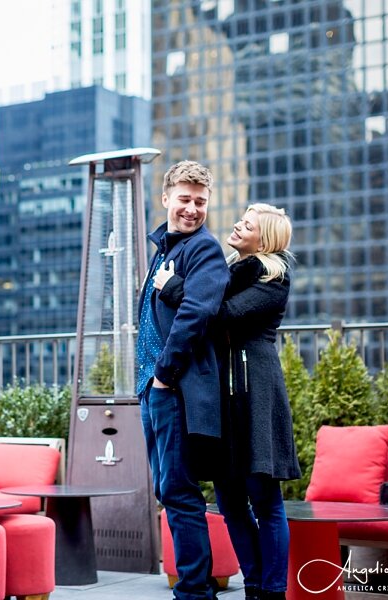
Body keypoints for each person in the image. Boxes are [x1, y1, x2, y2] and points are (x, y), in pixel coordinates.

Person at [153, 203, 301, 600]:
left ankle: (271, 591)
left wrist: (174, 289)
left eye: (247, 225)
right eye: (241, 220)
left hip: (255, 396)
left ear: (263, 238)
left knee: (265, 500)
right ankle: (253, 583)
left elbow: (222, 315)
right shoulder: (229, 271)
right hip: (221, 396)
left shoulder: (273, 278)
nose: (237, 226)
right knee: (231, 501)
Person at [136, 160, 229, 600]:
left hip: (172, 388)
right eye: (184, 199)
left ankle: (194, 593)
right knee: (166, 487)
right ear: (166, 199)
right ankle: (194, 588)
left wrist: (163, 376)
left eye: (200, 202)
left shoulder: (203, 250)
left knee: (179, 489)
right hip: (152, 389)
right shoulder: (165, 250)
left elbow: (197, 313)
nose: (192, 209)